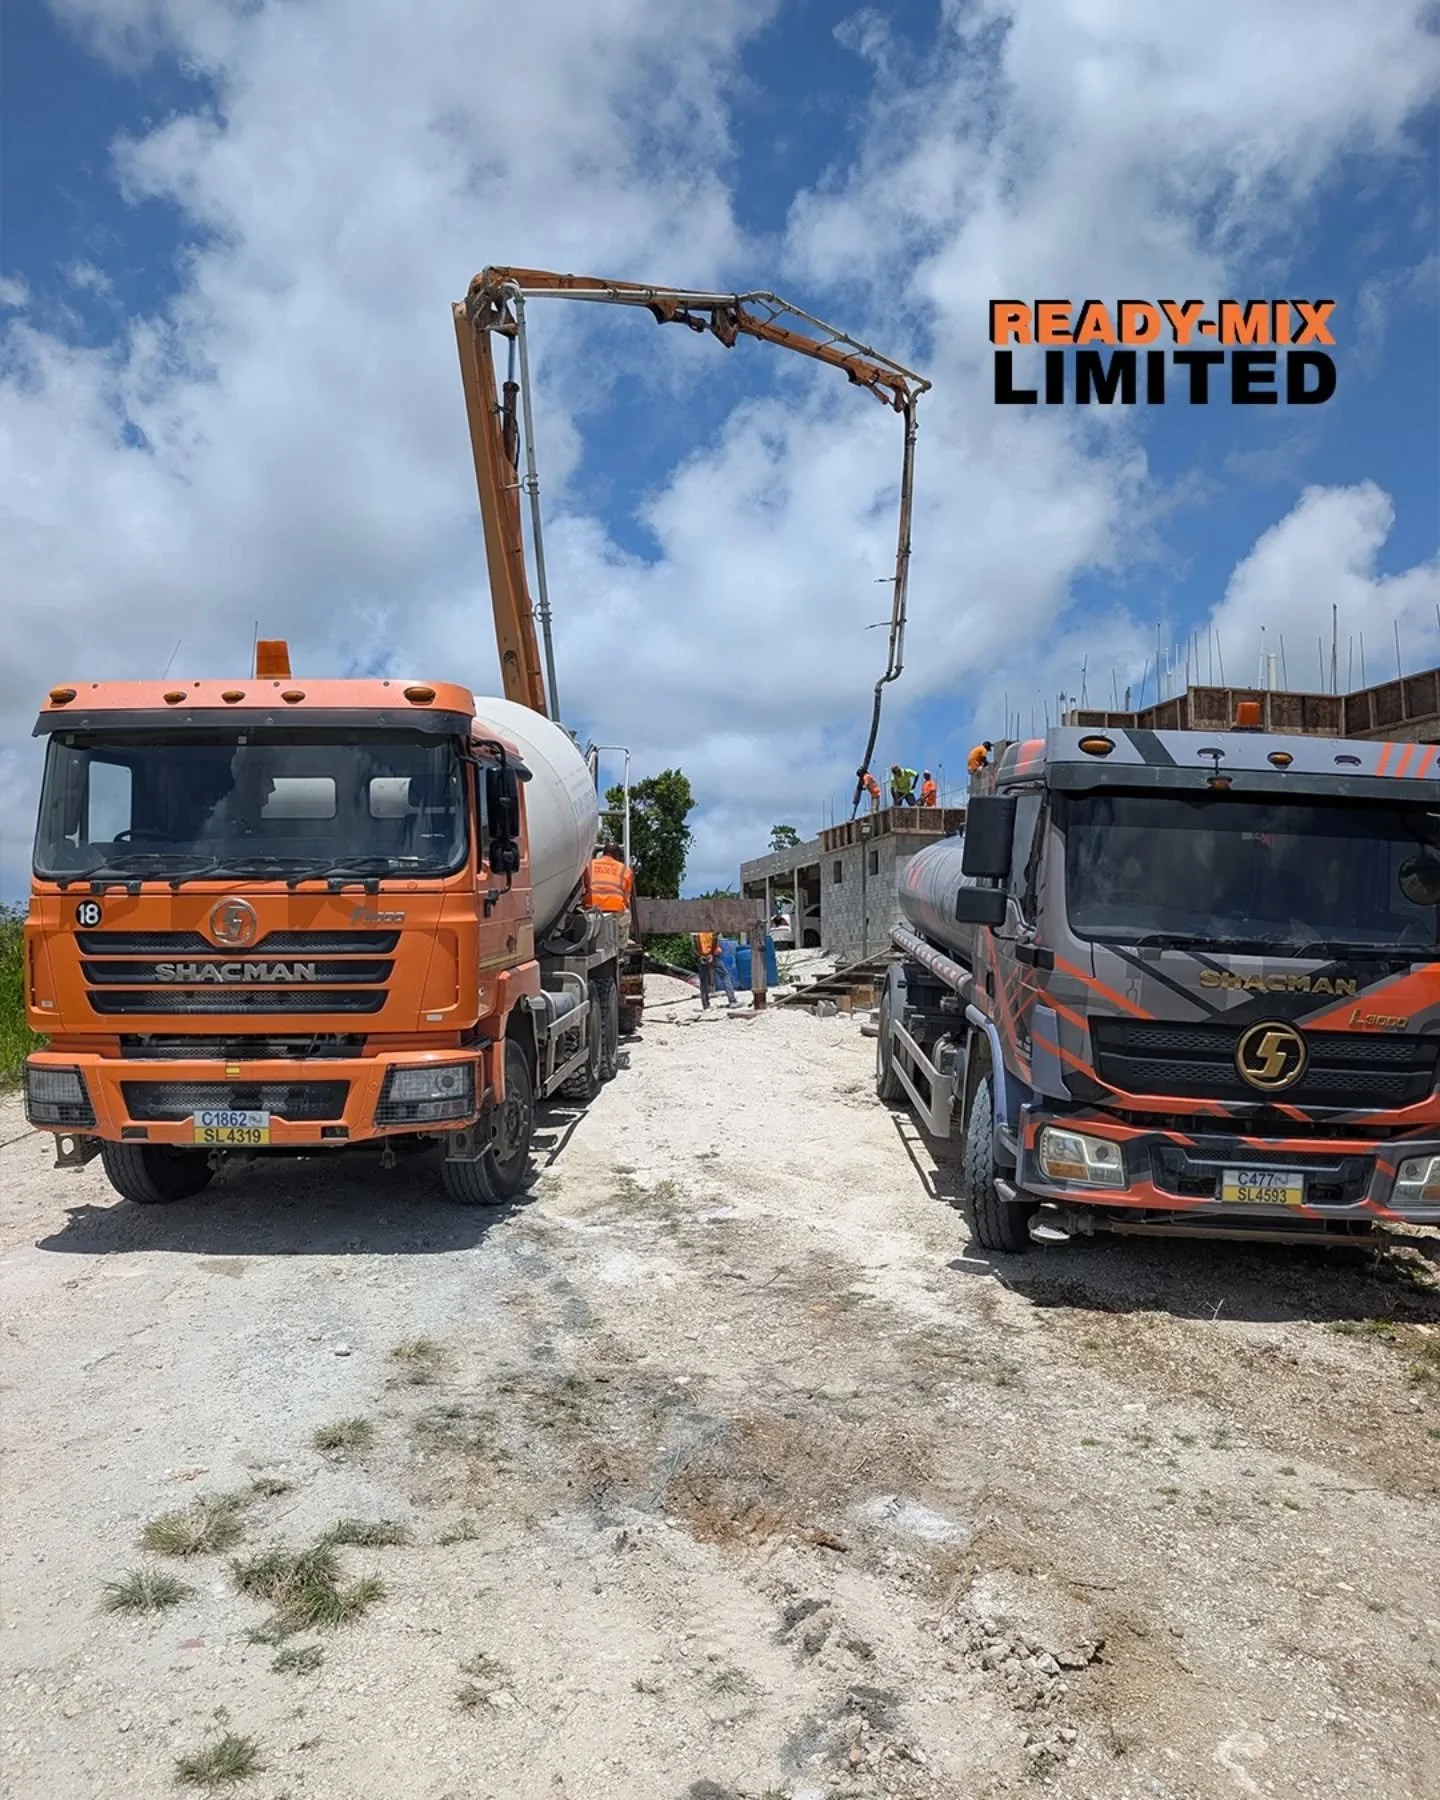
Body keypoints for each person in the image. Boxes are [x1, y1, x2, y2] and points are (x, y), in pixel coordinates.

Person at [693, 929, 739, 1009]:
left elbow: (695, 941)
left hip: (702, 956)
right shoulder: (711, 925)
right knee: (725, 976)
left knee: (704, 981)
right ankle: (732, 1001)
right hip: (712, 956)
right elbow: (714, 938)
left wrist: (700, 955)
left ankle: (706, 1005)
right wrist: (711, 953)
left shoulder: (696, 928)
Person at [583, 842, 633, 912]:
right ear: (617, 855)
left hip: (591, 905)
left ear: (604, 853)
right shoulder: (625, 870)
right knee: (626, 916)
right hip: (615, 906)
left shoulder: (589, 865)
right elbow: (626, 898)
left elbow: (583, 887)